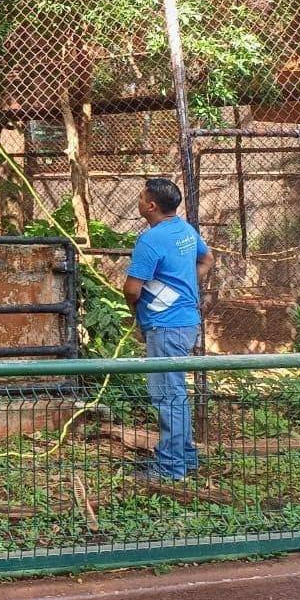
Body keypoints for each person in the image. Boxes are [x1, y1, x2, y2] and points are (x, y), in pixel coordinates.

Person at [122, 177, 214, 481]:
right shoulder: (185, 229)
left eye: (140, 196)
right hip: (187, 323)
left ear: (151, 205)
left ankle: (170, 469)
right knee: (176, 393)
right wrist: (184, 284)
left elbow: (132, 289)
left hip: (165, 327)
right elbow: (207, 260)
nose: (137, 200)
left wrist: (136, 314)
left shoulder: (151, 240)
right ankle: (185, 459)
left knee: (167, 396)